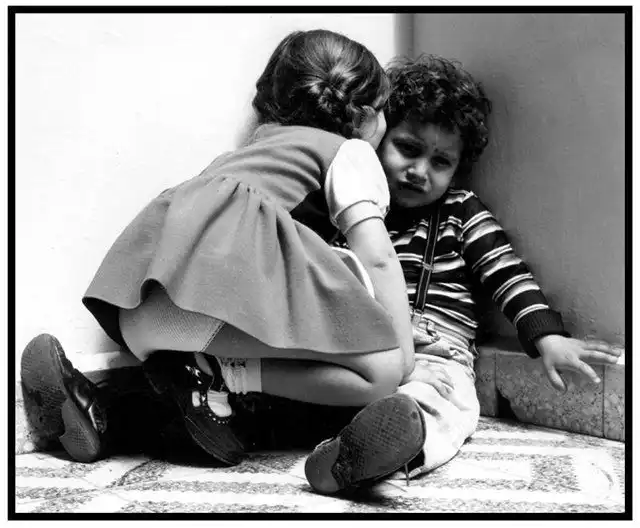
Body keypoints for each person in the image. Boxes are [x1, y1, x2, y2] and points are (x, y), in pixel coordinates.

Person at [23, 29, 427, 471]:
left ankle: (99, 404)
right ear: (363, 115)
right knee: (380, 373)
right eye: (384, 111)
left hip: (139, 310)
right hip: (207, 315)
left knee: (207, 398)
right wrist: (402, 350)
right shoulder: (350, 153)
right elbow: (378, 256)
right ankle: (219, 373)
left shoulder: (251, 152)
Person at [303, 54, 622, 494]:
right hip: (361, 346)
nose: (420, 171)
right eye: (408, 149)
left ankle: (378, 451)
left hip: (436, 353)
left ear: (457, 169)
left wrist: (547, 337)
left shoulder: (460, 212)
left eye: (440, 162)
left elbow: (507, 273)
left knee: (445, 403)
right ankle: (314, 431)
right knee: (319, 380)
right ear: (377, 140)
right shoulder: (351, 212)